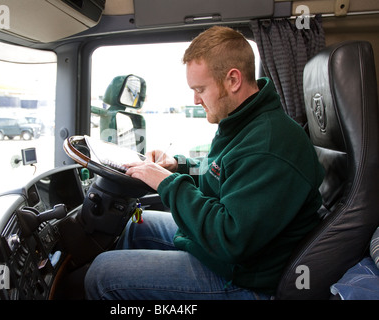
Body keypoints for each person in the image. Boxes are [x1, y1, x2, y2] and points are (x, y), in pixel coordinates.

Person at [84, 26, 324, 300]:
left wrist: (167, 183)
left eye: (200, 89)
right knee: (136, 223)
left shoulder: (269, 145)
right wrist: (178, 166)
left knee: (102, 274)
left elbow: (230, 238)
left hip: (248, 278)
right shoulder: (244, 123)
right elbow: (224, 172)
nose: (195, 100)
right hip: (234, 257)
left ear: (233, 80)